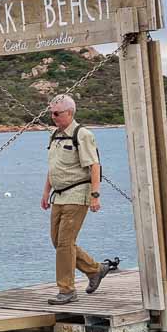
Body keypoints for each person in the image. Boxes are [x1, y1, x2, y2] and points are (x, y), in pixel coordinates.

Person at [40, 95, 116, 305]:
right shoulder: (55, 135)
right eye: (51, 113)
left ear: (70, 113)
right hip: (59, 195)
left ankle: (66, 290)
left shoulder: (82, 135)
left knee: (65, 243)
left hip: (77, 194)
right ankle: (95, 270)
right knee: (58, 241)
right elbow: (53, 167)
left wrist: (95, 195)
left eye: (57, 113)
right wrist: (46, 192)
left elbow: (94, 166)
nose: (53, 117)